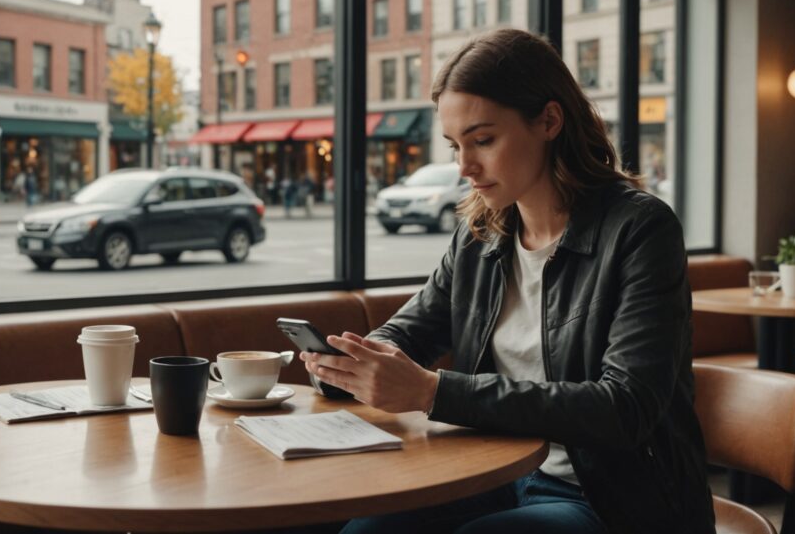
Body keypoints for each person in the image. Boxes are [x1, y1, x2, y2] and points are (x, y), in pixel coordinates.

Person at [301, 28, 714, 534]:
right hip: (497, 471)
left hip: (614, 500)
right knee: (369, 530)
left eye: (483, 140)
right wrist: (351, 363)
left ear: (549, 121)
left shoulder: (640, 229)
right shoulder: (481, 234)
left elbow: (625, 408)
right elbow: (410, 332)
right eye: (455, 145)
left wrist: (433, 392)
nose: (464, 166)